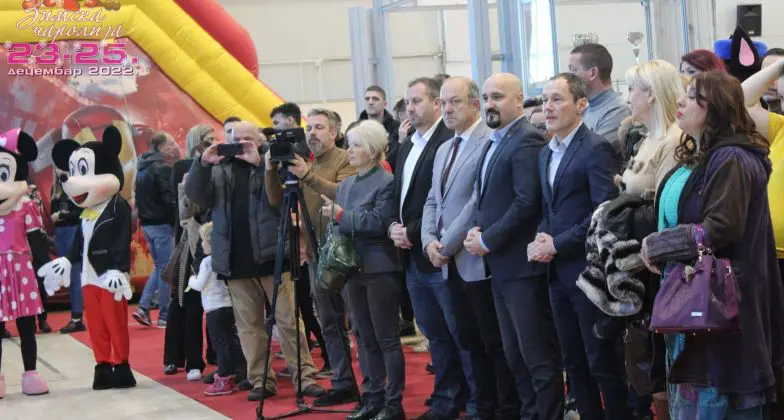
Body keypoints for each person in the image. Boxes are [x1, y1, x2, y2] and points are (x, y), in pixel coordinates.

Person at [642, 71, 784, 419]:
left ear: (716, 108)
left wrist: (659, 246)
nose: (681, 100)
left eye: (693, 96)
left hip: (724, 306)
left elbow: (720, 228)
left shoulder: (732, 157)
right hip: (697, 299)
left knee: (718, 401)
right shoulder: (705, 155)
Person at [185, 120, 325, 400]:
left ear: (260, 140)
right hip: (235, 257)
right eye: (233, 138)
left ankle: (304, 377)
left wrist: (262, 164)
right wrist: (202, 164)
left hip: (273, 255)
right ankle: (261, 380)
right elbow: (197, 197)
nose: (238, 143)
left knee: (288, 321)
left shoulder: (273, 163)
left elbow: (278, 199)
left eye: (245, 138)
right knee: (249, 326)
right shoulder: (218, 168)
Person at [463, 73, 563, 420]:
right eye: (486, 98)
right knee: (515, 355)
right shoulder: (497, 139)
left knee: (536, 356)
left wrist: (487, 238)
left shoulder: (525, 140)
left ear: (519, 100)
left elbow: (526, 202)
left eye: (498, 97)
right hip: (501, 266)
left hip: (522, 268)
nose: (489, 104)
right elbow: (489, 197)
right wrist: (478, 228)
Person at [528, 73, 627, 420]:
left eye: (557, 99)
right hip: (557, 273)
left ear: (581, 104)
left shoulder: (595, 148)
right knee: (573, 362)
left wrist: (557, 242)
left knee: (601, 360)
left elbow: (604, 213)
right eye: (545, 100)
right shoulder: (545, 153)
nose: (548, 107)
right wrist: (541, 238)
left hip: (588, 270)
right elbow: (549, 209)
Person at [421, 76, 519, 420]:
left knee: (493, 342)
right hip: (448, 261)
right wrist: (428, 241)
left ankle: (505, 409)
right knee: (468, 340)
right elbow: (432, 199)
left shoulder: (488, 141)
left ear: (475, 105)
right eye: (443, 102)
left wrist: (446, 245)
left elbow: (476, 202)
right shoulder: (443, 148)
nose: (446, 109)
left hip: (475, 259)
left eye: (454, 102)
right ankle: (483, 407)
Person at [265, 108, 358, 406]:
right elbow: (276, 199)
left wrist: (307, 175)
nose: (312, 134)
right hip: (318, 254)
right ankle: (343, 382)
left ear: (334, 132)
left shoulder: (345, 159)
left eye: (319, 127)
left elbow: (345, 194)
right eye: (309, 129)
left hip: (347, 254)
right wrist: (270, 170)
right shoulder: (307, 162)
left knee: (359, 324)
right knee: (329, 323)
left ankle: (374, 386)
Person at [389, 77, 465, 420]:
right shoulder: (407, 144)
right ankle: (447, 395)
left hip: (438, 250)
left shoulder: (448, 140)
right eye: (407, 102)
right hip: (411, 254)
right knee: (434, 332)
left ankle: (466, 399)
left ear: (437, 104)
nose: (410, 108)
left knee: (457, 331)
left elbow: (445, 201)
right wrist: (393, 227)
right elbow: (398, 194)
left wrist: (414, 231)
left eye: (417, 101)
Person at [321, 119, 405, 420]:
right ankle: (372, 397)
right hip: (352, 269)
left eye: (356, 145)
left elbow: (379, 223)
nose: (350, 151)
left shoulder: (386, 182)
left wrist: (340, 216)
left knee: (386, 338)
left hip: (379, 268)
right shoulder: (346, 185)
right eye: (350, 145)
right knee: (363, 336)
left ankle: (393, 403)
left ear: (371, 149)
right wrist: (339, 219)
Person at [189, 221, 247, 396]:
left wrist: (191, 279)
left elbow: (199, 284)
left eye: (203, 241)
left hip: (214, 307)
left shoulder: (207, 262)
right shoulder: (224, 257)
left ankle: (223, 377)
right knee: (231, 340)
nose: (202, 245)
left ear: (210, 242)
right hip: (228, 305)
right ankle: (240, 370)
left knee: (220, 344)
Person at [133, 132, 180, 328]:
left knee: (160, 267)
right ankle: (164, 314)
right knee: (165, 269)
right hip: (162, 225)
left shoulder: (142, 168)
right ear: (160, 147)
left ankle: (144, 307)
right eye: (170, 143)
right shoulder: (161, 168)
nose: (174, 147)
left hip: (148, 225)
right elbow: (168, 198)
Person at [568, 43, 631, 149]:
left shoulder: (617, 111)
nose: (569, 78)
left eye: (574, 70)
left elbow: (592, 153)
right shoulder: (587, 109)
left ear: (593, 73)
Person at [51, 167, 86, 333]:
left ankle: (77, 317)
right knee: (67, 275)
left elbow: (80, 211)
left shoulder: (75, 186)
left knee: (74, 274)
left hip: (72, 230)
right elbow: (53, 209)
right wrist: (56, 215)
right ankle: (76, 316)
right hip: (60, 232)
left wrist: (62, 215)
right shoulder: (55, 188)